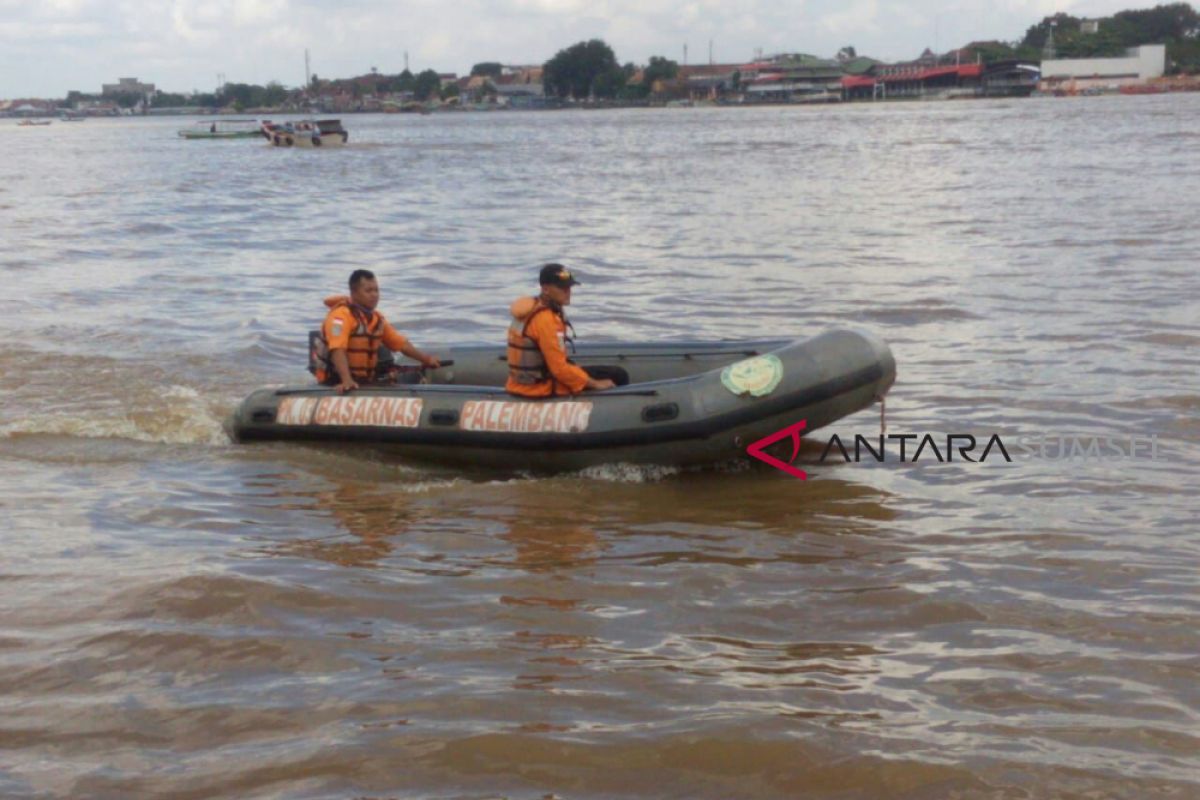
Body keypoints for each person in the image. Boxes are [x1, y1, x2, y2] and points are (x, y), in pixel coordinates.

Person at [314, 269, 440, 393]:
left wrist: (427, 360)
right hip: (334, 383)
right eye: (368, 291)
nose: (374, 295)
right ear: (354, 293)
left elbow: (402, 344)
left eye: (376, 290)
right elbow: (337, 349)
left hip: (362, 383)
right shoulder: (340, 316)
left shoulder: (377, 319)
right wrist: (346, 380)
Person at [506, 263, 615, 397]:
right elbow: (559, 370)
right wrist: (595, 384)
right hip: (542, 388)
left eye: (569, 287)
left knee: (609, 372)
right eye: (562, 288)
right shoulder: (546, 320)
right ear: (545, 289)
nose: (568, 292)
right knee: (618, 376)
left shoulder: (532, 309)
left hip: (521, 385)